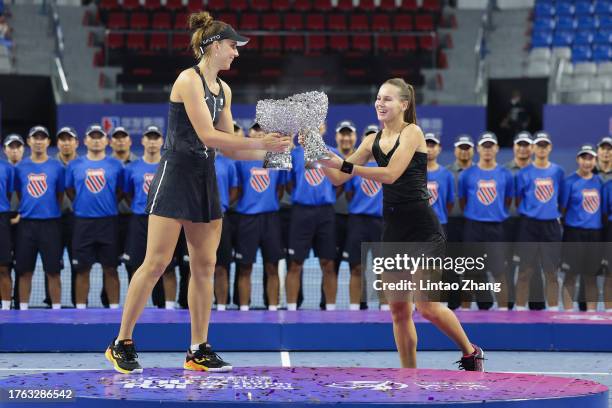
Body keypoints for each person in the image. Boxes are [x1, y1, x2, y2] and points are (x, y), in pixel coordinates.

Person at [105, 11, 289, 374]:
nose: (237, 53)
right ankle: (121, 341)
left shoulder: (224, 89)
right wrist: (258, 140)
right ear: (215, 46)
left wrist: (269, 148)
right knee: (156, 263)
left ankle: (197, 349)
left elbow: (230, 149)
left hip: (204, 177)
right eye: (233, 47)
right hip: (175, 176)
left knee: (206, 266)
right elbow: (208, 136)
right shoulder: (188, 80)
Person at [316, 78, 484, 371]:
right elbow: (339, 178)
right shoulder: (371, 140)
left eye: (388, 99)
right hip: (393, 230)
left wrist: (344, 165)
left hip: (422, 228)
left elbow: (391, 174)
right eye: (378, 98)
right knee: (398, 311)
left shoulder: (413, 132)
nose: (380, 103)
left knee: (427, 307)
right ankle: (409, 375)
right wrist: (318, 153)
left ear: (404, 104)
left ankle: (471, 352)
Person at [123, 126, 177, 310]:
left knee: (168, 267)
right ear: (143, 141)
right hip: (139, 221)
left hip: (165, 219)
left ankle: (169, 308)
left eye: (156, 138)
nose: (152, 141)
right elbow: (128, 193)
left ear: (162, 141)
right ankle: (136, 308)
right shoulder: (132, 168)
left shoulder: (170, 165)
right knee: (135, 267)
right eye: (149, 138)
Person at [458, 132, 513, 311]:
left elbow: (508, 201)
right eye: (484, 146)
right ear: (478, 149)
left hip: (496, 227)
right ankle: (465, 313)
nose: (488, 150)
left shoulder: (506, 174)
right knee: (470, 272)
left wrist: (494, 214)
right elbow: (463, 201)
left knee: (499, 271)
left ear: (496, 149)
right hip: (473, 227)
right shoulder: (467, 174)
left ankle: (504, 312)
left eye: (491, 146)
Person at [286, 124, 337, 311]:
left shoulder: (333, 153)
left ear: (324, 128)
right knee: (295, 263)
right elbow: (289, 185)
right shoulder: (295, 154)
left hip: (326, 213)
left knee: (329, 264)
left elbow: (338, 183)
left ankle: (330, 312)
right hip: (301, 213)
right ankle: (291, 311)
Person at [13, 126, 65, 310]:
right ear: (28, 141)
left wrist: (48, 210)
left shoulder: (57, 167)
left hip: (50, 225)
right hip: (27, 226)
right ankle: (23, 310)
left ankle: (57, 310)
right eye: (35, 137)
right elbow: (19, 192)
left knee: (53, 271)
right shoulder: (20, 168)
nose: (38, 141)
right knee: (24, 271)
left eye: (43, 138)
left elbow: (60, 194)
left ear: (48, 142)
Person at [234, 131, 285, 311]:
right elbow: (237, 188)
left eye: (262, 130)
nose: (258, 133)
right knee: (245, 267)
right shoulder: (240, 159)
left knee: (272, 266)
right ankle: (243, 311)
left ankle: (273, 309)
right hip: (247, 219)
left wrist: (267, 203)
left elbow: (281, 189)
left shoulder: (278, 157)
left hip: (271, 219)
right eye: (255, 130)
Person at [514, 132, 564, 311]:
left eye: (545, 145)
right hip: (529, 225)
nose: (542, 149)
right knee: (525, 271)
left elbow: (562, 200)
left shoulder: (558, 171)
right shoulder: (524, 173)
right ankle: (519, 311)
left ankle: (553, 312)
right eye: (539, 145)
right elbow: (518, 199)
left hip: (551, 225)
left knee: (551, 272)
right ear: (533, 148)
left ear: (549, 148)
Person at [342, 124, 383, 310]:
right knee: (356, 267)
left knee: (385, 269)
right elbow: (349, 193)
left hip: (382, 223)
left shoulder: (389, 164)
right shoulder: (354, 166)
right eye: (369, 137)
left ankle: (385, 309)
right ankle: (353, 309)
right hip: (358, 222)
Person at [560, 145, 603, 312]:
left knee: (591, 276)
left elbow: (603, 211)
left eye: (590, 158)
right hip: (574, 233)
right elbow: (562, 208)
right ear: (578, 160)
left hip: (594, 234)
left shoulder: (600, 182)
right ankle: (568, 313)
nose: (587, 162)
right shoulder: (569, 182)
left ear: (595, 160)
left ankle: (591, 314)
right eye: (584, 158)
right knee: (570, 275)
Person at [101, 127, 140, 308]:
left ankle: (136, 305)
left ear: (130, 141)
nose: (120, 141)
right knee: (109, 263)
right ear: (110, 142)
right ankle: (109, 304)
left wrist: (131, 203)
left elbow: (131, 193)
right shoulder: (105, 164)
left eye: (123, 137)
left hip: (135, 220)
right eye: (116, 138)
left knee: (135, 264)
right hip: (111, 220)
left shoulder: (139, 164)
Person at [504, 132, 534, 311]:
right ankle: (507, 304)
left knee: (530, 265)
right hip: (508, 222)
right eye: (519, 144)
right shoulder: (503, 170)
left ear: (532, 148)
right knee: (507, 264)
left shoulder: (537, 170)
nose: (523, 148)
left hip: (528, 223)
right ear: (514, 147)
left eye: (526, 145)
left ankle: (532, 305)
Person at [445, 134, 474, 310]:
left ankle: (468, 307)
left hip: (473, 224)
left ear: (473, 150)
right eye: (461, 148)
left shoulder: (480, 171)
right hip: (451, 223)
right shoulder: (446, 172)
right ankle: (453, 305)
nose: (464, 151)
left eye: (467, 148)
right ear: (455, 150)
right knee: (451, 267)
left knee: (472, 266)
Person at [212, 123, 239, 311]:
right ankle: (195, 308)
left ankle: (221, 307)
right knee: (195, 268)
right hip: (196, 219)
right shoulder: (192, 160)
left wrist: (220, 205)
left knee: (222, 266)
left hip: (220, 218)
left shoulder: (227, 163)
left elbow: (234, 190)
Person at [55, 127, 79, 307]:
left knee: (76, 261)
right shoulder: (50, 164)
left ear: (76, 143)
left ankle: (76, 301)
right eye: (62, 139)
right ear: (57, 144)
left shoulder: (83, 164)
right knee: (53, 263)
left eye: (69, 139)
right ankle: (51, 300)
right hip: (54, 220)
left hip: (77, 220)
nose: (66, 143)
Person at [0, 152, 14, 310]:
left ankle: (5, 308)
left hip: (1, 219)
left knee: (3, 267)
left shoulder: (7, 168)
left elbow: (9, 194)